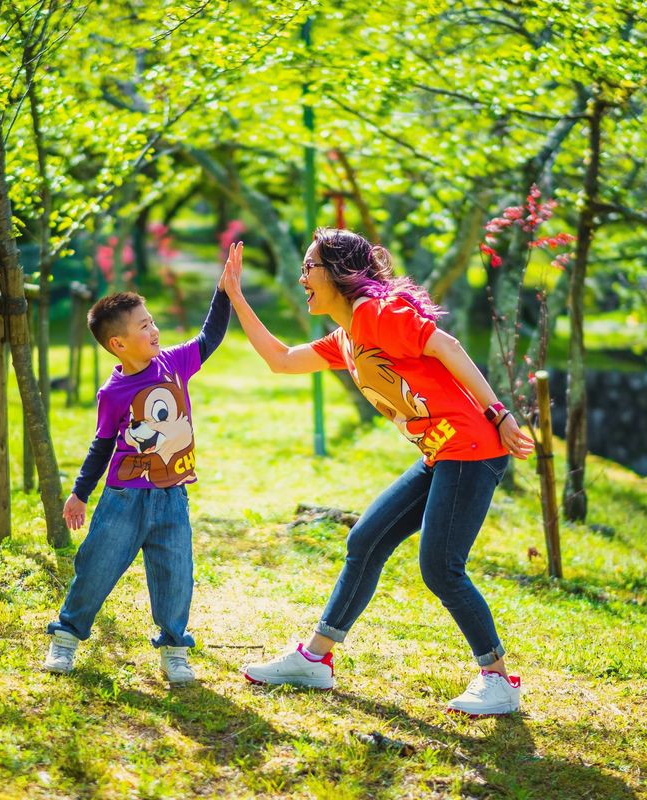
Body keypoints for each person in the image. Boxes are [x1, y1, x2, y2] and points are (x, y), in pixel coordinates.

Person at [223, 230, 534, 717]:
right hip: (440, 452)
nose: (302, 276)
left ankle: (498, 680)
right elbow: (281, 360)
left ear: (339, 273)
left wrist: (500, 412)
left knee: (441, 568)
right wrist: (236, 297)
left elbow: (446, 346)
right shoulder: (347, 337)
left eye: (310, 267)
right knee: (365, 541)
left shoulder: (376, 313)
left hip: (471, 446)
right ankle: (315, 658)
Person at [43, 269, 232, 684]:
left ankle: (174, 648)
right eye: (144, 325)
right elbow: (102, 444)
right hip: (123, 500)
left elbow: (209, 338)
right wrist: (79, 493)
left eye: (153, 320)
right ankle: (67, 637)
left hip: (172, 497)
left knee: (175, 574)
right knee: (95, 568)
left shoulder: (173, 363)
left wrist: (224, 292)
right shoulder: (113, 393)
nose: (155, 328)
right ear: (119, 344)